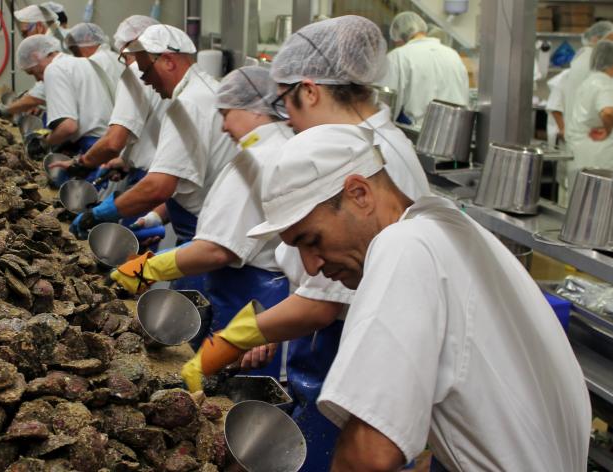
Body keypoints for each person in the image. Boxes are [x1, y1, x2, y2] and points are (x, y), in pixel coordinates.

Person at [241, 123, 592, 470]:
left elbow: (368, 456)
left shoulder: (405, 246)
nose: (311, 266)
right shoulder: (447, 229)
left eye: (312, 240)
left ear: (359, 194)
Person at [180, 16, 432, 471]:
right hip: (332, 346)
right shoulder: (367, 144)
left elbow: (321, 301)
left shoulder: (373, 157)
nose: (287, 120)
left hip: (350, 355)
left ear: (311, 90)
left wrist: (224, 346)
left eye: (286, 105)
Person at [110, 66, 292, 364]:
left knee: (234, 391)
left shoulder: (260, 158)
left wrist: (144, 271)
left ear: (255, 110)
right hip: (250, 292)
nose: (222, 127)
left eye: (226, 114)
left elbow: (215, 250)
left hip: (252, 295)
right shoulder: (274, 147)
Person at [69, 25, 237, 243]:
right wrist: (154, 217)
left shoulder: (187, 105)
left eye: (146, 70)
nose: (146, 81)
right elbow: (193, 180)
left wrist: (99, 214)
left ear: (168, 61)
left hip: (207, 232)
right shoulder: (206, 90)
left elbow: (158, 187)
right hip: (204, 223)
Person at [49, 15, 165, 192]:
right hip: (155, 169)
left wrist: (81, 163)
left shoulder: (136, 72)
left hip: (148, 174)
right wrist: (125, 160)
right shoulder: (170, 73)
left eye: (125, 57)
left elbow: (113, 142)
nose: (126, 64)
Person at [378, 11, 469, 127]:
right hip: (455, 131)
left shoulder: (399, 56)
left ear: (399, 37)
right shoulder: (453, 54)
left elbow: (385, 106)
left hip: (419, 134)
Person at [566, 40, 613, 190]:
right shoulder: (604, 84)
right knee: (600, 203)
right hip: (601, 159)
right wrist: (607, 131)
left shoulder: (590, 82)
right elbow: (608, 112)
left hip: (587, 156)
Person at [42, 30, 118, 156]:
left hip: (98, 140)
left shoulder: (58, 68)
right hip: (111, 136)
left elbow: (68, 127)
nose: (76, 56)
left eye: (75, 51)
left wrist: (46, 142)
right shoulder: (110, 58)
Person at [554, 20, 613, 138]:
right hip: (591, 135)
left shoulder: (582, 57)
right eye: (612, 41)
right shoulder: (594, 63)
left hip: (578, 132)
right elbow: (608, 110)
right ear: (596, 39)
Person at [63, 23, 126, 95]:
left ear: (87, 38)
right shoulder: (117, 56)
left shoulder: (92, 63)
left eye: (75, 51)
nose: (77, 57)